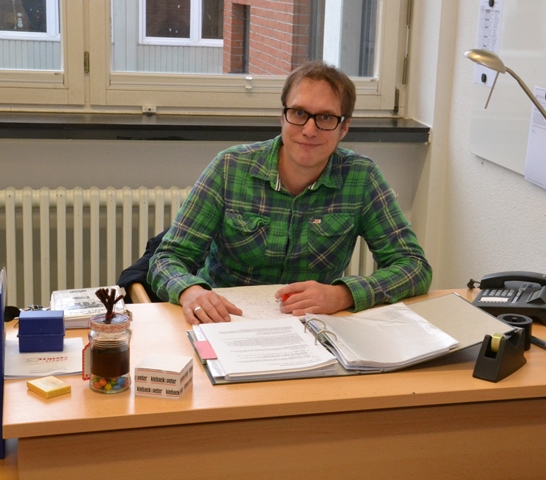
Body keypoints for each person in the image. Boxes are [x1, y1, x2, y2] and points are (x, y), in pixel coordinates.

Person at [148, 60, 432, 325]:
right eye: (299, 113)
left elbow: (414, 266)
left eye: (325, 117)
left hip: (312, 326)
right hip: (227, 322)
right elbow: (166, 259)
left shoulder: (361, 177)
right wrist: (191, 291)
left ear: (344, 127)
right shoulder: (229, 168)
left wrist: (343, 294)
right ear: (282, 116)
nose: (309, 130)